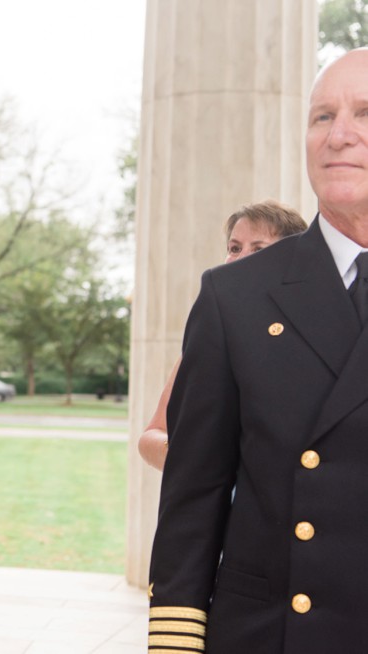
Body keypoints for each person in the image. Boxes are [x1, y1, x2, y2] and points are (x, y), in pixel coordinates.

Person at [149, 48, 368, 652]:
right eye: (322, 117)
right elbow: (194, 494)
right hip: (272, 634)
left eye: (364, 113)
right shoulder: (234, 295)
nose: (339, 135)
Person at [137, 201, 307, 470]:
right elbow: (150, 438)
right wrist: (193, 454)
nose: (240, 259)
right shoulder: (211, 339)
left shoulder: (314, 340)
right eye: (234, 248)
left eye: (259, 249)